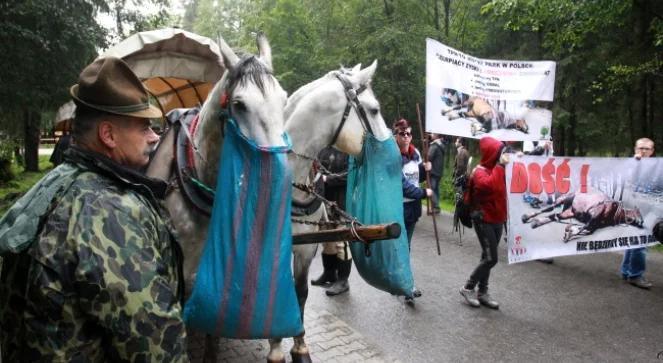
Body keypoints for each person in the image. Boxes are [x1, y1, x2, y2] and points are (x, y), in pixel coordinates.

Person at [0, 57, 188, 361]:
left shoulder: (53, 184)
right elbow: (157, 349)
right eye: (144, 127)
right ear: (108, 135)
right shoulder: (112, 213)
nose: (155, 136)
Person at [459, 136, 508, 309]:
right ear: (491, 154)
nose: (503, 156)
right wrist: (501, 166)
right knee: (491, 258)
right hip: (483, 219)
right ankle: (468, 287)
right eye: (500, 153)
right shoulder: (479, 172)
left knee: (485, 256)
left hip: (497, 218)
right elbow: (491, 187)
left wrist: (539, 152)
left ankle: (482, 292)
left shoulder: (498, 169)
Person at [393, 119, 432, 304]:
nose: (406, 136)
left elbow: (418, 177)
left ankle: (401, 283)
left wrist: (425, 169)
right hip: (398, 206)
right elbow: (403, 187)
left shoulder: (415, 152)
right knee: (403, 248)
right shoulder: (393, 156)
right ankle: (407, 286)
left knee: (405, 248)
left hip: (413, 208)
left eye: (408, 133)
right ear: (396, 135)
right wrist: (424, 193)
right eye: (402, 133)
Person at [310, 146, 353, 296]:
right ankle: (329, 274)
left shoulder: (348, 152)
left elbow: (350, 175)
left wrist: (328, 179)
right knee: (327, 240)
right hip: (324, 200)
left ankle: (343, 280)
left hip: (342, 202)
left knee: (342, 242)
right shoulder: (323, 150)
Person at [620, 137, 655, 289]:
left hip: (648, 209)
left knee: (633, 241)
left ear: (652, 151)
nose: (643, 151)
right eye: (641, 148)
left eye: (647, 148)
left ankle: (627, 271)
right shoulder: (631, 165)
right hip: (634, 209)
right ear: (635, 149)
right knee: (640, 243)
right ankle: (635, 275)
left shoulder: (656, 167)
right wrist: (636, 162)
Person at [427, 133, 445, 215]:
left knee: (432, 189)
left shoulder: (434, 145)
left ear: (436, 136)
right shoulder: (441, 145)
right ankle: (436, 206)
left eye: (433, 134)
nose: (431, 135)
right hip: (439, 171)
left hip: (433, 171)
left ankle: (436, 207)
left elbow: (429, 157)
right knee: (436, 189)